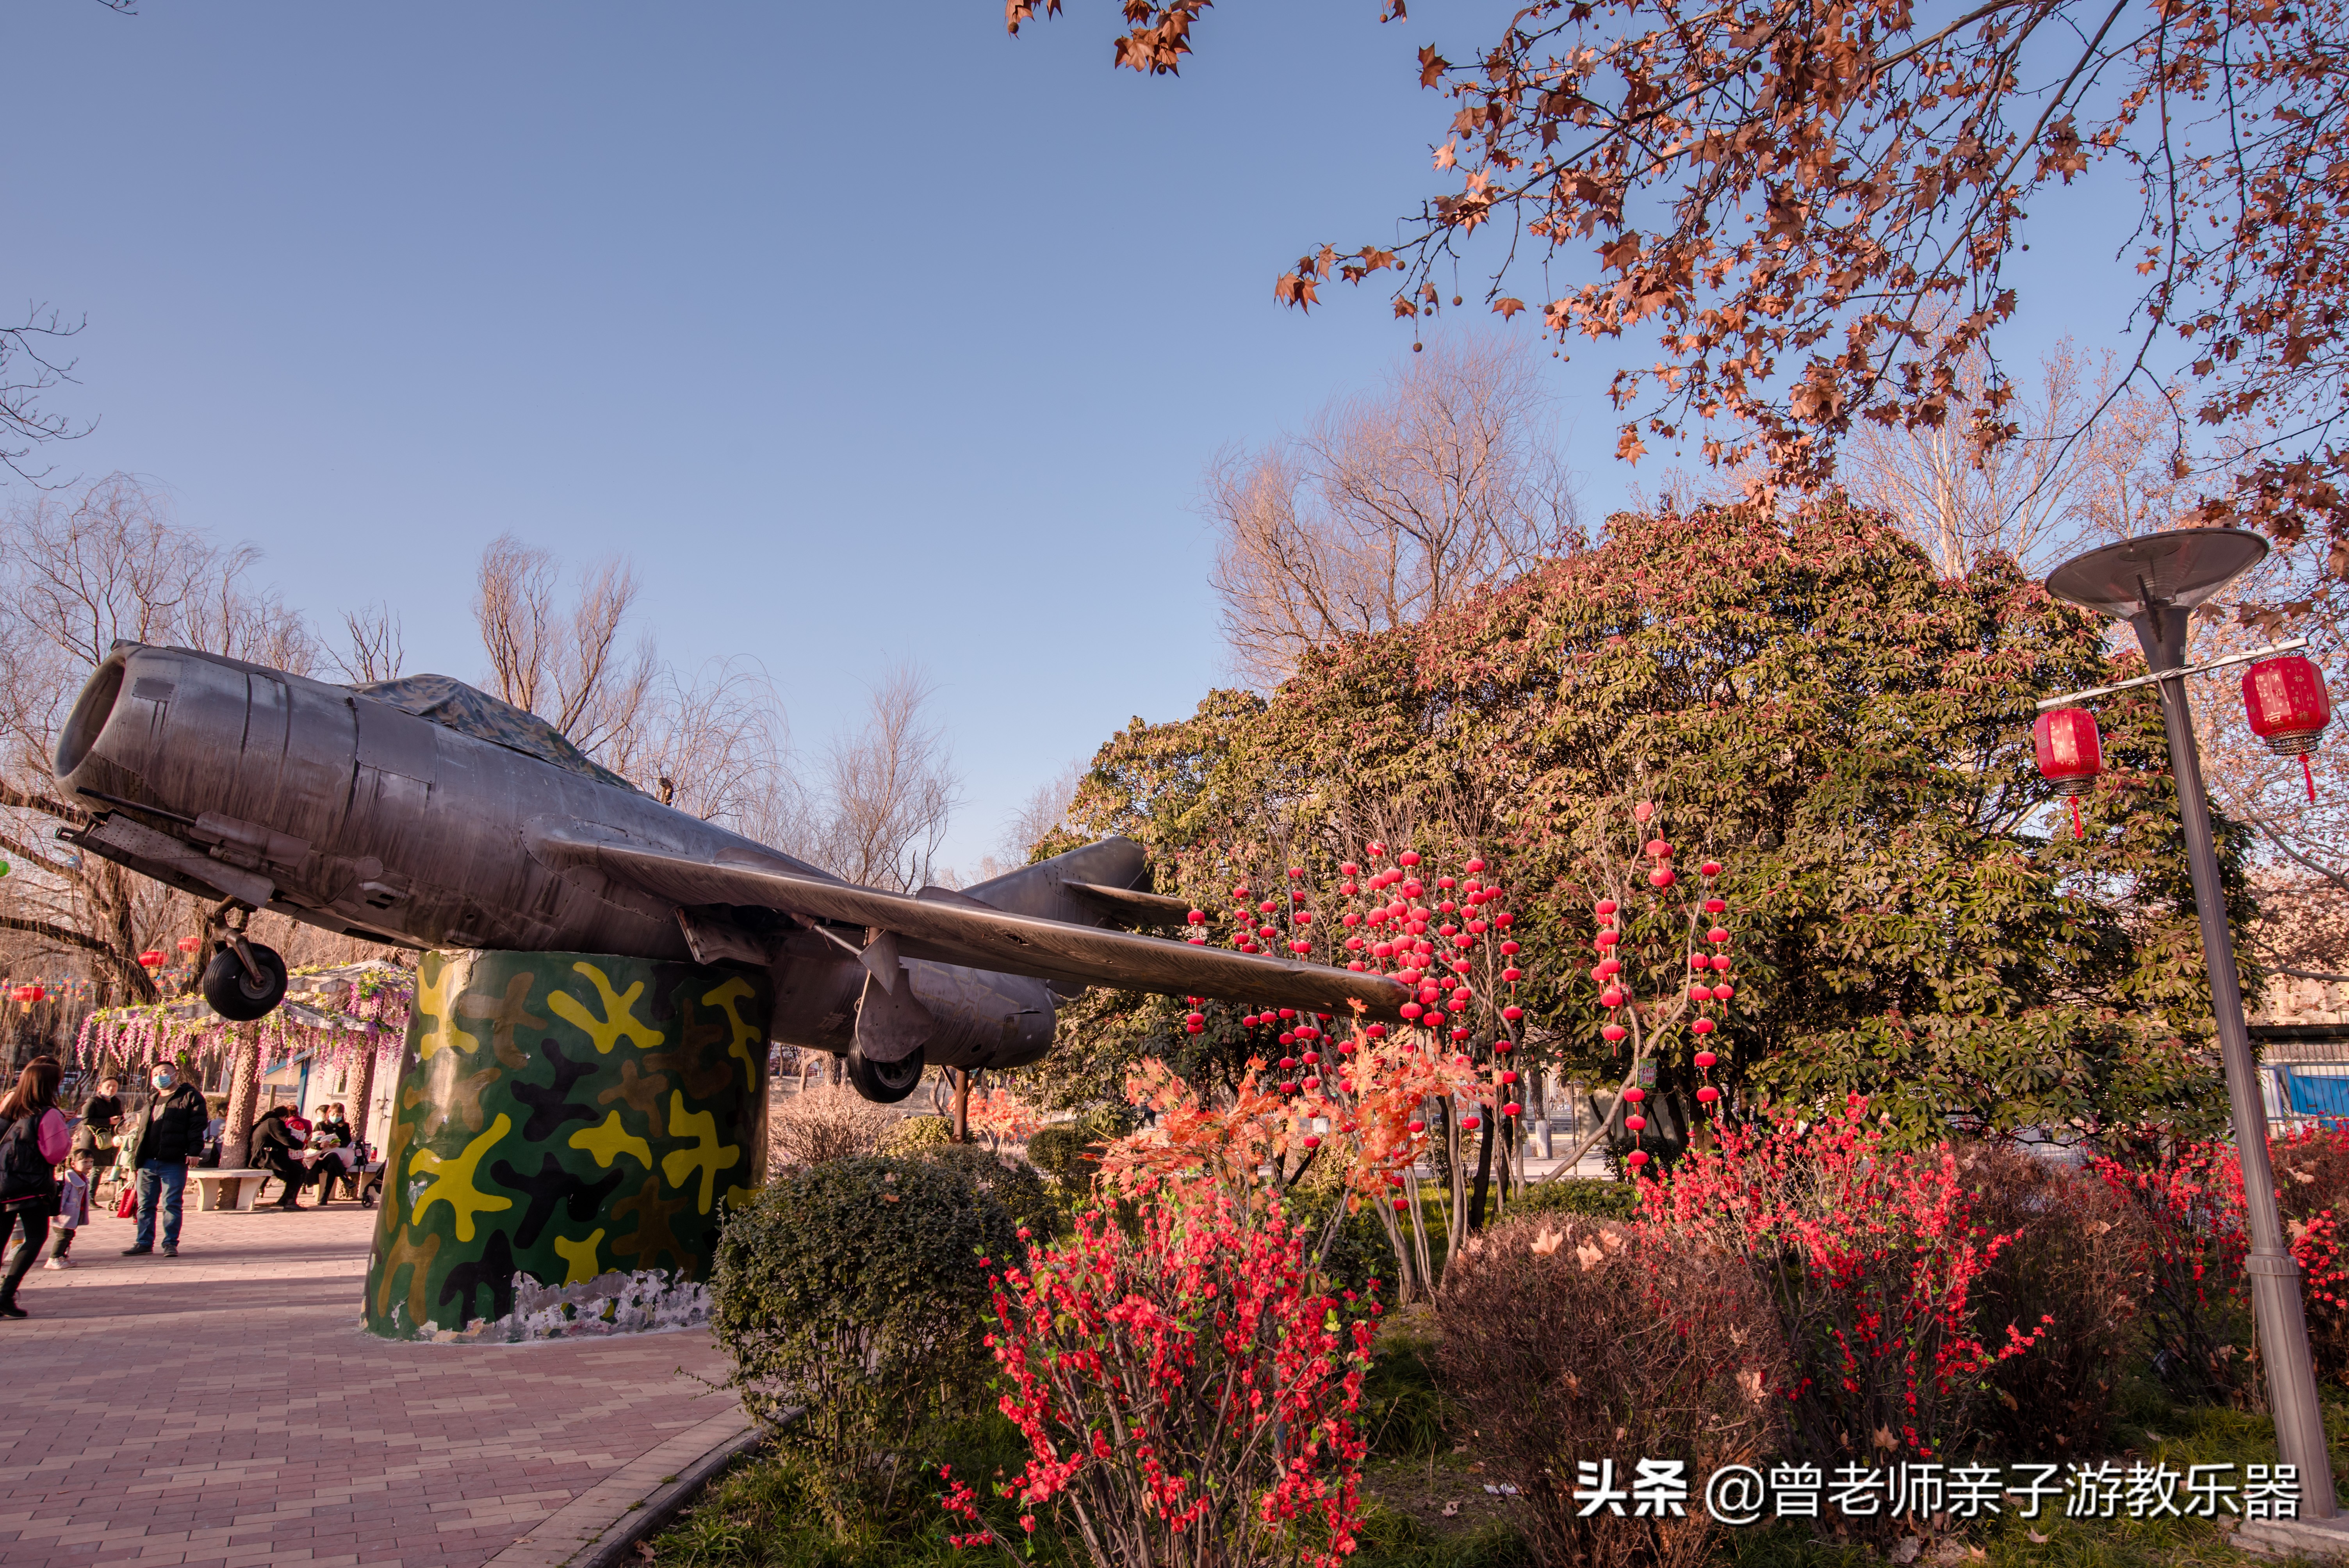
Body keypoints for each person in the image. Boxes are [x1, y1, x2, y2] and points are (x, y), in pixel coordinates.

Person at [0, 1057, 70, 1319]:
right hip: (31, 1186)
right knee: (35, 1237)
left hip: (2, 1184)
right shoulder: (48, 1114)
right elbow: (55, 1153)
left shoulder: (8, 1112)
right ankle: (6, 1295)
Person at [120, 1058, 207, 1257]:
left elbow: (198, 1125)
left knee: (172, 1204)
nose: (161, 1077)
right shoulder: (152, 1099)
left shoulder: (190, 1097)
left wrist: (194, 1151)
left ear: (175, 1074)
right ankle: (143, 1242)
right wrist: (135, 1160)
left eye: (165, 1072)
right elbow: (142, 1132)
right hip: (148, 1161)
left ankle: (170, 1243)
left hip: (174, 1160)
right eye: (157, 1074)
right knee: (145, 1205)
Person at [251, 1106, 310, 1210]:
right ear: (284, 1117)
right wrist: (302, 1146)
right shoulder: (275, 1123)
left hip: (263, 1157)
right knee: (300, 1171)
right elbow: (286, 1140)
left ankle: (284, 1200)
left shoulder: (265, 1123)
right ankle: (290, 1202)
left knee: (296, 1169)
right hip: (268, 1158)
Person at [45, 1150, 94, 1269]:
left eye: (92, 1162)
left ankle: (62, 1257)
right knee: (63, 1236)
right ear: (73, 1164)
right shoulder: (67, 1178)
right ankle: (53, 1259)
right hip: (63, 1215)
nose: (89, 1164)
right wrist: (57, 1212)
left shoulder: (81, 1177)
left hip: (74, 1215)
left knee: (69, 1235)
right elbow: (62, 1197)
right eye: (85, 1162)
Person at [75, 1076, 122, 1189]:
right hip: (94, 1140)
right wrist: (108, 1121)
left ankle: (91, 1196)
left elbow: (121, 1116)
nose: (111, 1089)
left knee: (100, 1168)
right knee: (87, 1168)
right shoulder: (92, 1101)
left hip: (108, 1140)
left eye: (114, 1086)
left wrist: (120, 1120)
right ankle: (83, 1193)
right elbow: (86, 1120)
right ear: (99, 1088)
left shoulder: (116, 1101)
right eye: (108, 1086)